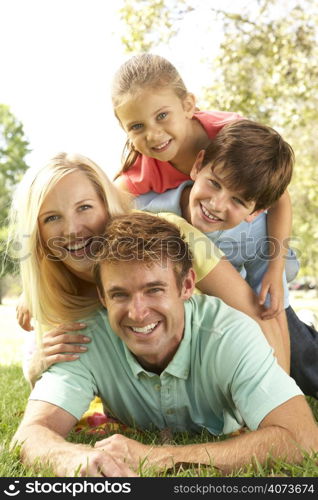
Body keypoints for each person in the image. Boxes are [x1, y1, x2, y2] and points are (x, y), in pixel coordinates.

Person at [11, 213, 318, 477]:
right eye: (120, 295)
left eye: (154, 289)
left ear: (186, 286)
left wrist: (155, 457)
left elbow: (303, 438)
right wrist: (71, 458)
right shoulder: (84, 338)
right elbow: (30, 435)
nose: (138, 312)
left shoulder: (230, 334)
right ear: (103, 297)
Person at [10, 152, 289, 386]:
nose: (72, 231)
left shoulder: (170, 234)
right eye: (52, 218)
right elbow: (52, 381)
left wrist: (280, 397)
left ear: (106, 204)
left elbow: (257, 316)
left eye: (84, 207)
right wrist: (37, 365)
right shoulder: (54, 286)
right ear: (39, 234)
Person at [135, 119, 318, 398]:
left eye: (238, 201)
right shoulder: (147, 210)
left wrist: (280, 395)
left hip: (244, 297)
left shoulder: (256, 231)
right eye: (214, 183)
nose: (217, 204)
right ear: (198, 166)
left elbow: (269, 313)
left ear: (255, 211)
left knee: (301, 357)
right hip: (195, 311)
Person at [111, 53, 295, 315]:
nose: (153, 134)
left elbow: (279, 199)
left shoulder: (229, 135)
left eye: (162, 115)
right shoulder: (142, 170)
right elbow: (96, 207)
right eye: (137, 126)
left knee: (276, 310)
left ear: (188, 105)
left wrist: (275, 270)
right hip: (208, 240)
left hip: (253, 238)